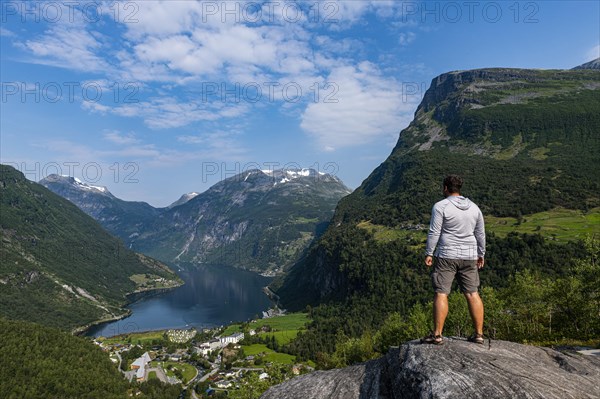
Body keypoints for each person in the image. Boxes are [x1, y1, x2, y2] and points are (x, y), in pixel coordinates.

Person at [421, 175, 486, 345]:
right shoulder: (474, 207)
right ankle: (479, 334)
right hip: (470, 255)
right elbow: (480, 233)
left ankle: (437, 335)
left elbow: (434, 232)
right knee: (473, 293)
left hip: (447, 255)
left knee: (441, 293)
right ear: (459, 188)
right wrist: (481, 254)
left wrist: (429, 252)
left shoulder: (441, 206)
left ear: (445, 188)